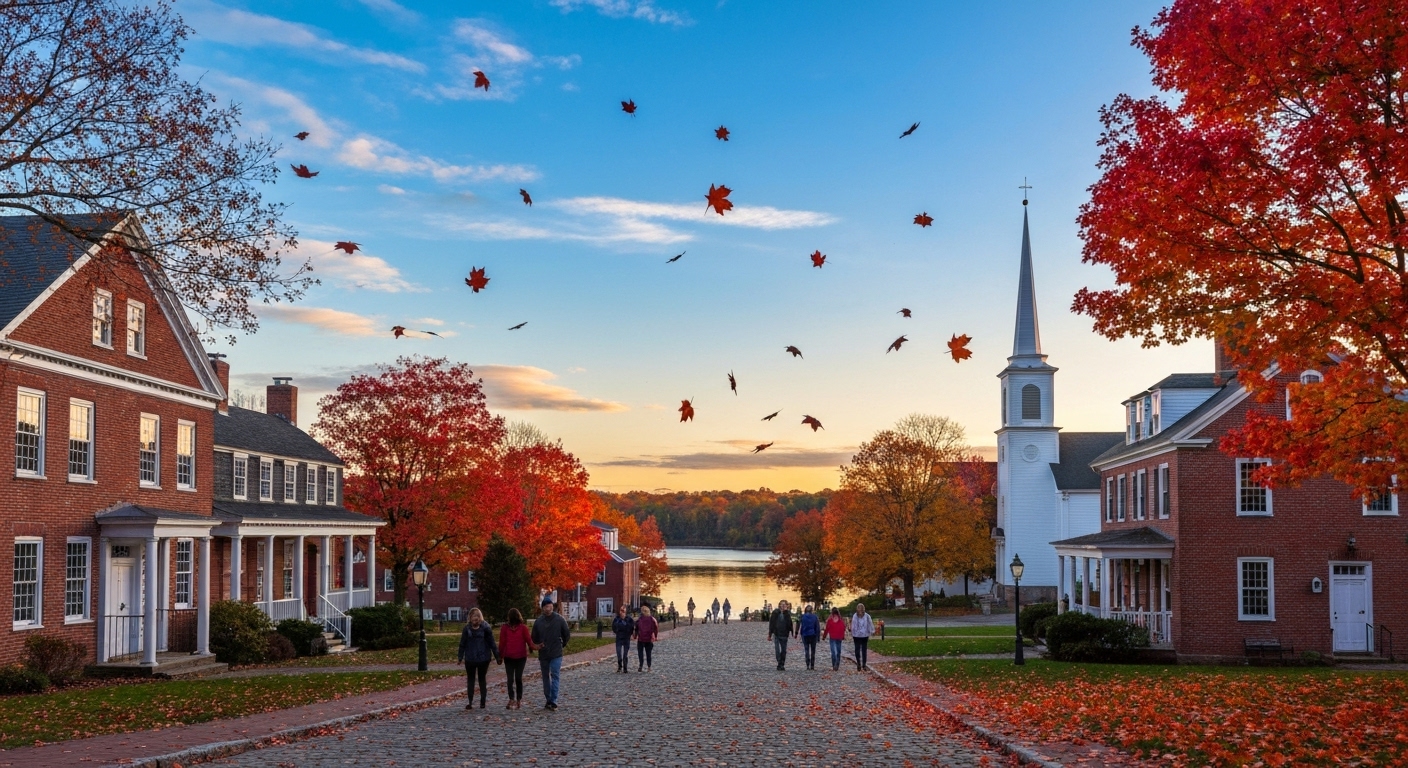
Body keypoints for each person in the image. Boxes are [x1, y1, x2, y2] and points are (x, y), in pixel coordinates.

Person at [531, 596, 571, 710]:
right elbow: (534, 637)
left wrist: (562, 644)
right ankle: (548, 698)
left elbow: (566, 634)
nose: (548, 608)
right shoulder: (538, 622)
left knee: (555, 675)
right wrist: (538, 644)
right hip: (543, 653)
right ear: (543, 608)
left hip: (556, 652)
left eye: (549, 606)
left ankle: (553, 700)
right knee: (545, 677)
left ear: (552, 606)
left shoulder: (559, 620)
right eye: (545, 606)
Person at [457, 608, 500, 710]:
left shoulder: (486, 628)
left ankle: (483, 701)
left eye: (476, 617)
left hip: (483, 658)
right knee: (470, 680)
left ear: (480, 618)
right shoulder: (467, 629)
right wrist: (460, 657)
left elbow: (492, 643)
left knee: (482, 679)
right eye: (473, 617)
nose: (475, 620)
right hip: (470, 658)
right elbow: (462, 644)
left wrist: (497, 656)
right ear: (470, 618)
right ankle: (470, 701)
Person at [498, 607, 535, 709]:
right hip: (509, 657)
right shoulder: (505, 628)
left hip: (520, 657)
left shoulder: (523, 628)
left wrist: (534, 647)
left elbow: (528, 640)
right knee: (512, 679)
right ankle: (512, 698)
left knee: (516, 678)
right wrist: (500, 656)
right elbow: (502, 643)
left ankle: (518, 698)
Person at [767, 600, 795, 671]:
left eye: (784, 605)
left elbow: (790, 623)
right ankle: (779, 661)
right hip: (777, 633)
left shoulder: (787, 614)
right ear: (779, 605)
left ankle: (781, 664)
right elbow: (772, 623)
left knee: (784, 650)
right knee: (777, 649)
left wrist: (792, 632)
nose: (783, 606)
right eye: (782, 605)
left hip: (785, 634)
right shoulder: (775, 613)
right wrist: (770, 634)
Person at [850, 603, 875, 671]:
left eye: (861, 610)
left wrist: (872, 631)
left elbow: (870, 623)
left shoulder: (867, 616)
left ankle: (864, 664)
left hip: (864, 635)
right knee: (857, 650)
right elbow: (853, 625)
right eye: (859, 610)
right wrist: (852, 632)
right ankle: (858, 663)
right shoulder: (855, 616)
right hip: (856, 635)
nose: (860, 612)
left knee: (864, 650)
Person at [635, 604, 659, 671]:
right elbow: (656, 628)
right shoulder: (652, 619)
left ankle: (641, 666)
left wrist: (635, 636)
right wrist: (656, 636)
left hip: (641, 639)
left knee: (640, 653)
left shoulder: (639, 619)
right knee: (648, 653)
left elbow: (636, 628)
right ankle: (649, 667)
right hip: (649, 638)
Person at [611, 605, 634, 673]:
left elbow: (632, 627)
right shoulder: (617, 619)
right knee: (619, 653)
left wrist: (629, 633)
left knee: (625, 654)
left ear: (626, 611)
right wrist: (617, 631)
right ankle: (619, 665)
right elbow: (613, 627)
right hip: (619, 637)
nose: (622, 612)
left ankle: (625, 667)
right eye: (621, 610)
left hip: (626, 638)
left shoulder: (629, 619)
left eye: (623, 611)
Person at [798, 604, 821, 670]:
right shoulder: (815, 617)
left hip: (805, 635)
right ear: (812, 610)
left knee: (806, 649)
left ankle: (807, 664)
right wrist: (818, 637)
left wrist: (799, 633)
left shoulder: (803, 617)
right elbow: (817, 627)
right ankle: (812, 665)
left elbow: (800, 626)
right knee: (813, 651)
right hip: (813, 635)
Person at [825, 607, 847, 671]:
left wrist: (824, 636)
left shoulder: (830, 620)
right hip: (839, 638)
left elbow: (827, 629)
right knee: (838, 651)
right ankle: (837, 664)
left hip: (832, 638)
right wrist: (843, 636)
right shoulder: (841, 620)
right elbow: (843, 629)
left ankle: (834, 664)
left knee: (833, 652)